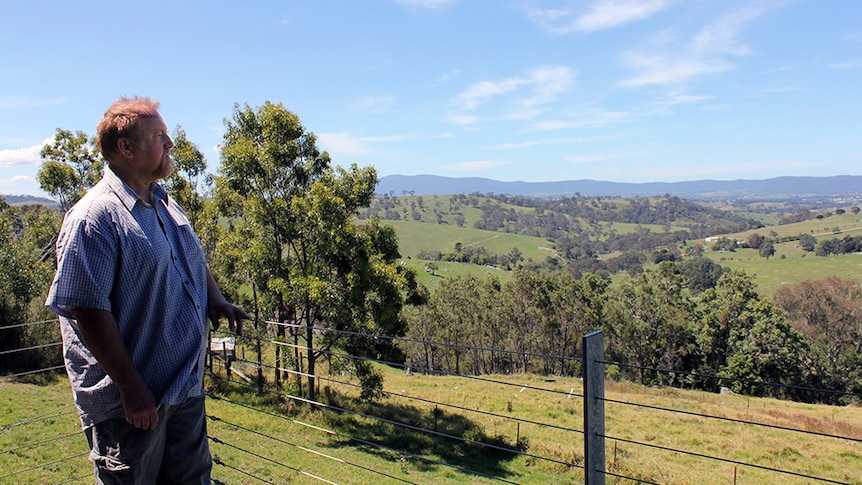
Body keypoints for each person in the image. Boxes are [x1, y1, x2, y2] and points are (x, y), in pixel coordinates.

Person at [46, 96, 247, 484]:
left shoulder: (163, 204)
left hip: (182, 388)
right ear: (126, 147)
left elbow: (192, 258)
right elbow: (87, 310)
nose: (170, 144)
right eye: (159, 136)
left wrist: (216, 300)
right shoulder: (96, 217)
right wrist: (131, 388)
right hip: (134, 405)